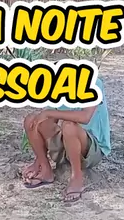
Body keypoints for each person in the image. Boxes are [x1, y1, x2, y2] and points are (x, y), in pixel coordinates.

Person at [22, 75, 111, 204]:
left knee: (69, 126)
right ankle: (45, 168)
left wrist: (49, 113)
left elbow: (85, 117)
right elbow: (48, 122)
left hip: (91, 149)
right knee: (32, 120)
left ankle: (77, 177)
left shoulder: (94, 83)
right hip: (67, 145)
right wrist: (38, 159)